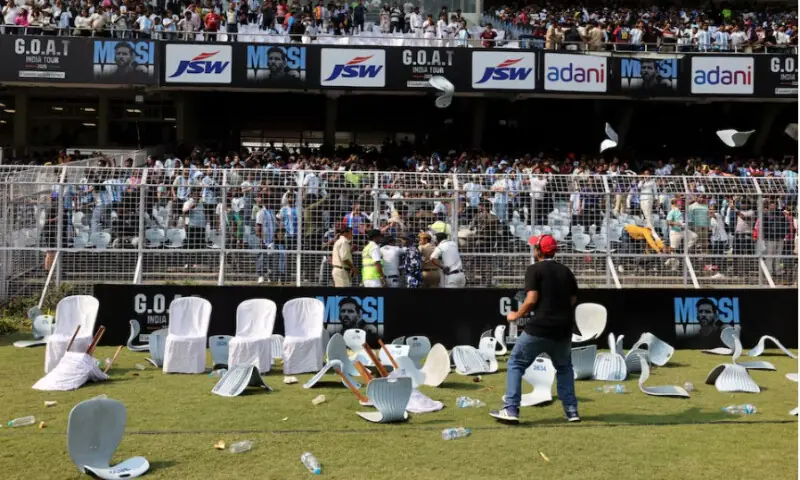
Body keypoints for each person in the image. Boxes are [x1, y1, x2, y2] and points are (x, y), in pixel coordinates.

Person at [490, 234, 579, 424]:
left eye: (534, 247)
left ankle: (511, 409)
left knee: (515, 364)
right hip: (563, 329)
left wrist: (516, 315)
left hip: (540, 327)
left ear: (538, 250)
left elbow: (531, 299)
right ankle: (571, 411)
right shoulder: (566, 271)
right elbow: (572, 300)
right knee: (564, 369)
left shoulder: (534, 270)